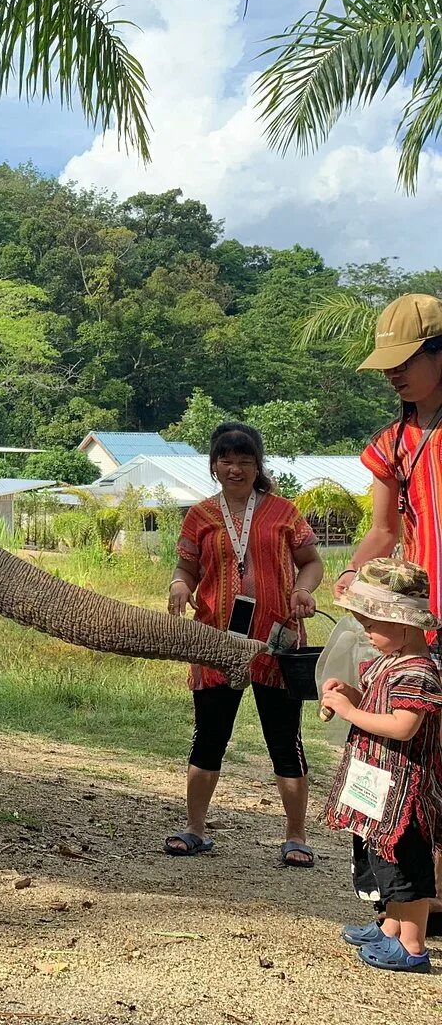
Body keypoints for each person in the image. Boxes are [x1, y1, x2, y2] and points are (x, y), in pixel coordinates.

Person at [165, 422, 323, 864]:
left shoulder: (283, 512)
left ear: (258, 465)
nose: (235, 468)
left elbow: (311, 562)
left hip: (278, 642)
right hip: (216, 641)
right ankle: (195, 828)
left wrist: (303, 590)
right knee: (208, 737)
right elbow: (186, 569)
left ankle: (296, 836)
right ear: (214, 465)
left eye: (245, 461)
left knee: (284, 739)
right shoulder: (199, 515)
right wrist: (180, 585)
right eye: (226, 460)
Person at [338, 293, 442, 918]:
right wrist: (353, 576)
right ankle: (405, 909)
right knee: (409, 759)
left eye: (407, 359)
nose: (394, 373)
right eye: (388, 364)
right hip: (416, 621)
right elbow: (382, 531)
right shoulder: (394, 441)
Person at [322, 558, 442, 973]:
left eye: (371, 622)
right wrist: (350, 694)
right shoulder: (389, 661)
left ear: (405, 625)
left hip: (405, 793)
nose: (365, 632)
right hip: (381, 788)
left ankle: (412, 945)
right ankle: (390, 926)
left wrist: (349, 712)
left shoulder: (419, 672)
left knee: (407, 867)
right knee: (384, 864)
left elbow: (403, 726)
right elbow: (378, 705)